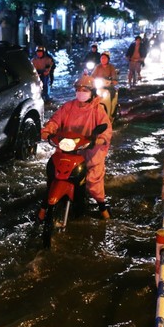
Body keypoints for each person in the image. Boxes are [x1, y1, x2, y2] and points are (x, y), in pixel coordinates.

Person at [39, 75, 113, 219]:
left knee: (93, 181)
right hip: (68, 149)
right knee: (53, 174)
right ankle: (45, 205)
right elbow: (55, 120)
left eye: (85, 89)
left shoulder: (97, 109)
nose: (81, 92)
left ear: (91, 92)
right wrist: (48, 130)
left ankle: (102, 206)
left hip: (89, 150)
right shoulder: (68, 106)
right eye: (78, 89)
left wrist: (99, 139)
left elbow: (106, 129)